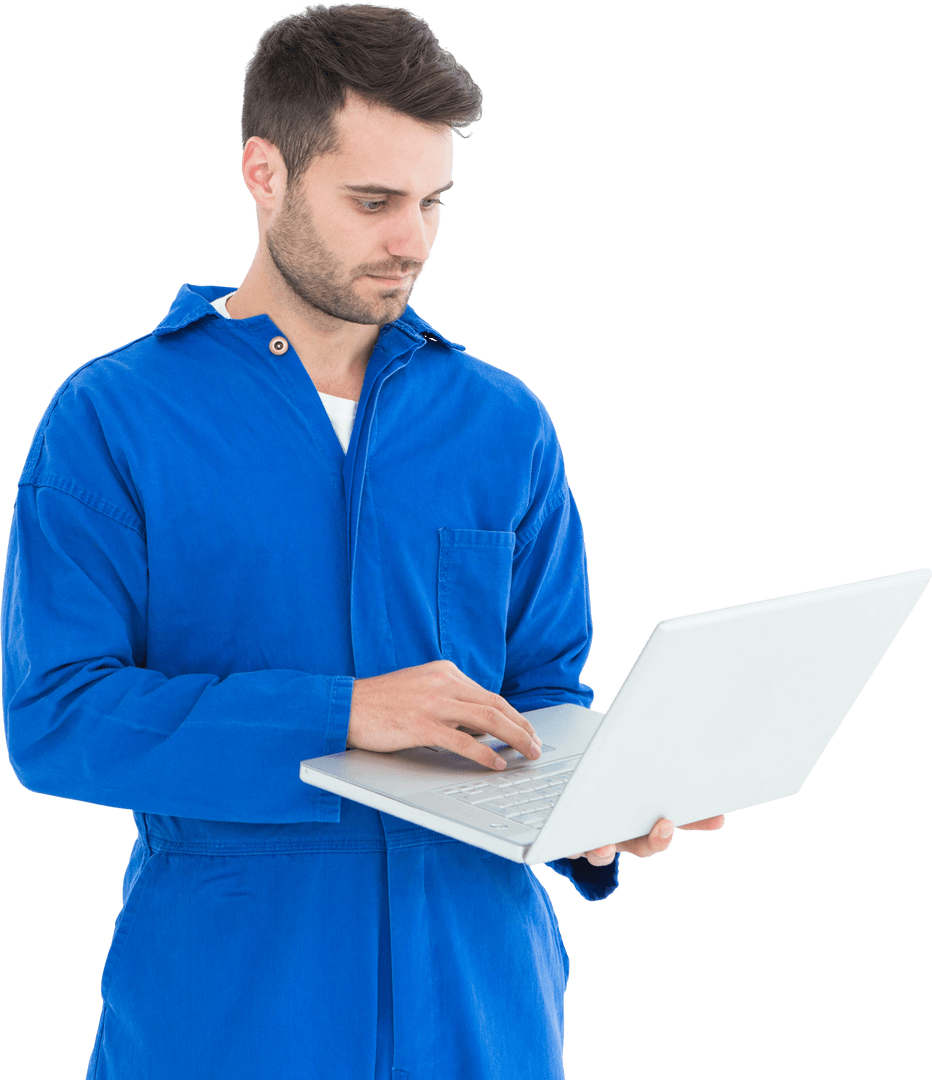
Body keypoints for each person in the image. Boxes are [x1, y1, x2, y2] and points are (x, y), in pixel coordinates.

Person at [1, 5, 723, 1078]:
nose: (412, 239)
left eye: (432, 200)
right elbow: (55, 717)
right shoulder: (115, 417)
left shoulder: (500, 422)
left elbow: (538, 691)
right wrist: (343, 712)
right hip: (230, 1008)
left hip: (481, 1007)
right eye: (373, 201)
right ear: (264, 172)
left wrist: (596, 799)